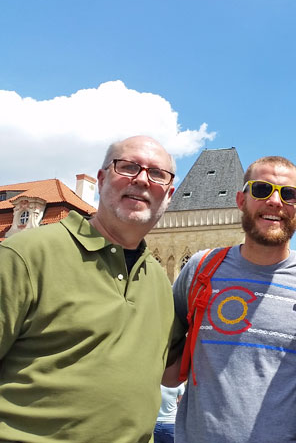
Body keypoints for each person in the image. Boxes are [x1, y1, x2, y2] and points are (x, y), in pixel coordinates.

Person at [0, 136, 177, 441]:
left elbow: (171, 371)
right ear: (102, 178)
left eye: (157, 174)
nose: (142, 180)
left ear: (169, 195)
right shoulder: (27, 254)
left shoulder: (159, 279)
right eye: (129, 167)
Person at [163, 156, 296, 443]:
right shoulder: (200, 268)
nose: (275, 201)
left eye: (288, 194)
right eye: (261, 190)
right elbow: (165, 369)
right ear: (241, 200)